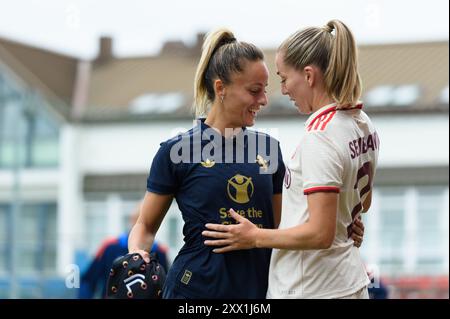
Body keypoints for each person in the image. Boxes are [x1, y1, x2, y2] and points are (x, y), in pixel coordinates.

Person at [129, 27, 365, 299]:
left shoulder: (269, 148)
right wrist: (138, 254)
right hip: (194, 292)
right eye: (254, 91)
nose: (263, 100)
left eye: (265, 90)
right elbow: (145, 226)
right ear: (221, 88)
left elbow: (288, 227)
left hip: (260, 292)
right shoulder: (177, 150)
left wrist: (341, 226)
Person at [203, 20, 378, 299]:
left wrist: (254, 237)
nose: (283, 90)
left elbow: (320, 234)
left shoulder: (321, 135)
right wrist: (343, 222)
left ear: (309, 76)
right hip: (349, 281)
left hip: (312, 288)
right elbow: (362, 202)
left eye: (284, 79)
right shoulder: (362, 122)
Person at [78, 206, 169, 299]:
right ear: (132, 220)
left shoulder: (159, 251)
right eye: (139, 221)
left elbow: (165, 286)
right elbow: (88, 281)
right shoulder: (110, 247)